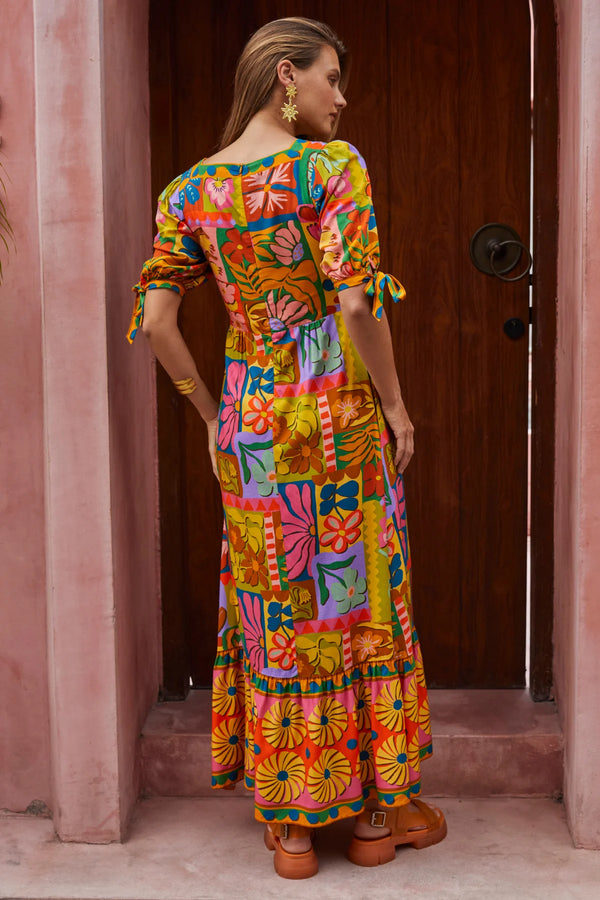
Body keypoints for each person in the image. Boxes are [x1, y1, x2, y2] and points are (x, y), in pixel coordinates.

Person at [128, 15, 446, 880]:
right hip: (335, 414)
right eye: (331, 78)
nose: (341, 98)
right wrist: (396, 403)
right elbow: (353, 303)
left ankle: (295, 830)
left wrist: (206, 414)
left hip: (254, 424)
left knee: (279, 608)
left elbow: (157, 322)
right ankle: (377, 817)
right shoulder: (331, 169)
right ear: (283, 77)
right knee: (353, 601)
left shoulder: (187, 192)